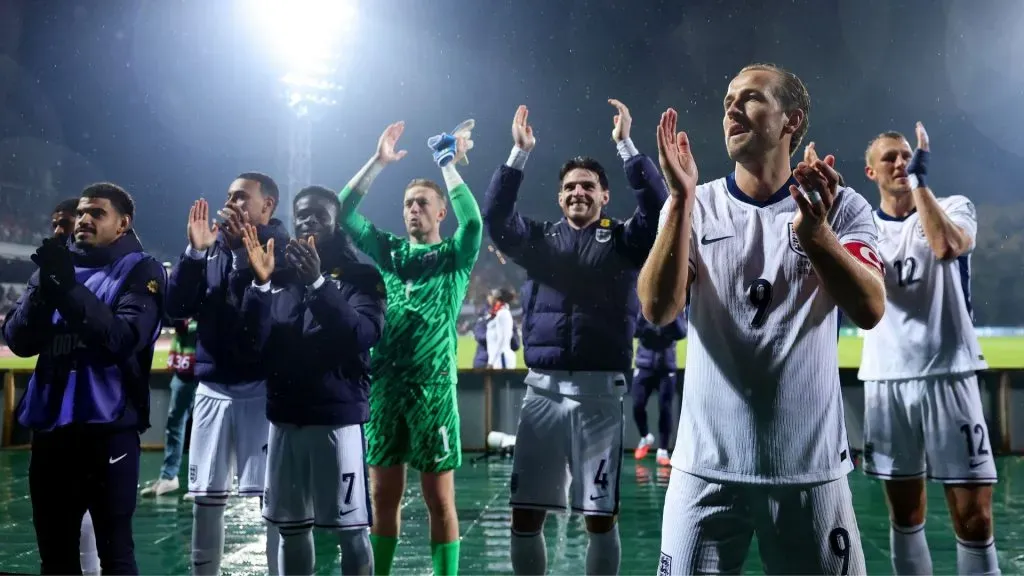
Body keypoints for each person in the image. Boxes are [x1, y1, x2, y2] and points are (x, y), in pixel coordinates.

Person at [639, 63, 887, 574]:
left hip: (809, 471)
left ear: (791, 120)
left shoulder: (840, 209)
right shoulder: (695, 204)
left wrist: (815, 236)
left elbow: (869, 309)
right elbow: (658, 309)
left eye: (750, 98)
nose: (731, 107)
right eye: (728, 99)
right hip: (704, 469)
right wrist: (680, 199)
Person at [483, 99, 667, 575]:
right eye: (569, 187)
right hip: (540, 391)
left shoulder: (627, 240)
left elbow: (659, 206)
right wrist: (518, 155)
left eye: (588, 186)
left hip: (599, 394)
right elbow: (496, 219)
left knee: (599, 517)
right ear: (560, 196)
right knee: (526, 514)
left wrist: (626, 145)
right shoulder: (539, 241)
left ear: (606, 195)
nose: (577, 192)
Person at [336, 120, 481, 576]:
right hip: (384, 387)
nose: (412, 209)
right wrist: (378, 162)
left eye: (422, 203)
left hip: (433, 390)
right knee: (383, 496)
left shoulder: (454, 256)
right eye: (407, 204)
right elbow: (342, 213)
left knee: (439, 498)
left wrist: (448, 168)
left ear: (441, 213)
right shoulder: (391, 253)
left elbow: (474, 221)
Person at [3, 183, 165, 574]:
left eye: (97, 213)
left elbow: (122, 338)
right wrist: (47, 286)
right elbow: (20, 341)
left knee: (116, 556)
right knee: (55, 558)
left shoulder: (142, 269)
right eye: (81, 212)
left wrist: (68, 287)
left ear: (122, 224)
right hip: (51, 434)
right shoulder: (54, 268)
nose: (84, 220)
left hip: (107, 433)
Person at [858, 123, 998, 575]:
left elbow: (946, 245)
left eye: (906, 155)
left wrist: (920, 185)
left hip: (949, 374)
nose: (901, 163)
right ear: (870, 171)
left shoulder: (953, 206)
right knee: (905, 517)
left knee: (974, 518)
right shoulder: (862, 225)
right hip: (886, 378)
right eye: (890, 158)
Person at [240, 186, 386, 575]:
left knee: (351, 532)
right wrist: (259, 287)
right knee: (291, 530)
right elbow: (255, 345)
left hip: (335, 420)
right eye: (302, 214)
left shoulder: (361, 275)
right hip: (285, 418)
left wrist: (319, 285)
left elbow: (362, 334)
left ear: (336, 223)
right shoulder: (278, 272)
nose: (308, 221)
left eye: (319, 215)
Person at [165, 173, 289, 575]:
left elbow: (264, 327)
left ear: (267, 206)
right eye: (228, 196)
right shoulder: (212, 246)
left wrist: (241, 259)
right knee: (205, 499)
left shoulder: (282, 249)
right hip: (212, 388)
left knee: (273, 504)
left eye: (241, 197)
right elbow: (176, 308)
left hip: (263, 390)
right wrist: (193, 253)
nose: (230, 202)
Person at [49, 196, 103, 575]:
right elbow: (20, 336)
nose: (61, 232)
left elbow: (116, 337)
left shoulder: (110, 276)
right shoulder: (47, 274)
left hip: (94, 412)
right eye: (57, 224)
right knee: (53, 531)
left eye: (66, 224)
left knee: (94, 523)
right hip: (52, 412)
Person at [139, 311, 198, 498]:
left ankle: (203, 483)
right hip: (184, 369)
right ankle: (168, 476)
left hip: (206, 370)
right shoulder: (183, 303)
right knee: (174, 422)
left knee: (206, 428)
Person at [632, 309, 685, 467]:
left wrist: (669, 318)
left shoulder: (675, 308)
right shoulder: (641, 307)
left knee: (665, 408)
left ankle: (662, 449)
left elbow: (681, 332)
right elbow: (634, 331)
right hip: (644, 365)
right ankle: (645, 436)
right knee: (637, 404)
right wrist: (644, 315)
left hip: (666, 366)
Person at [485, 288, 517, 370]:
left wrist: (491, 362)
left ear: (496, 299)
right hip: (497, 358)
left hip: (502, 358)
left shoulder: (503, 313)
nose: (488, 298)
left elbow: (502, 339)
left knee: (503, 382)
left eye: (491, 296)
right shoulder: (495, 314)